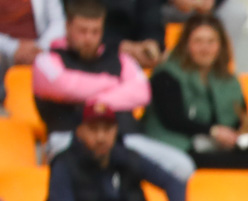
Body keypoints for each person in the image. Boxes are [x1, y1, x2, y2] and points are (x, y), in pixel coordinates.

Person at [32, 0, 194, 182]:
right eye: (82, 31)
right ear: (67, 27)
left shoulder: (121, 59)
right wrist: (115, 83)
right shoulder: (46, 60)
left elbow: (141, 92)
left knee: (182, 166)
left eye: (95, 31)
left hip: (125, 140)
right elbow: (66, 86)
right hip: (68, 139)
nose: (88, 38)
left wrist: (90, 100)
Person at [142, 13, 248, 179]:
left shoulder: (228, 80)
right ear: (186, 44)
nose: (205, 49)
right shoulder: (167, 74)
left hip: (216, 147)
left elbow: (239, 120)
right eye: (198, 41)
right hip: (178, 147)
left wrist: (246, 132)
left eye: (211, 42)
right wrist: (214, 131)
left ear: (220, 45)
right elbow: (172, 119)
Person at [39, 102, 184, 201]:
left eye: (107, 129)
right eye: (93, 129)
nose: (101, 137)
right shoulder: (64, 164)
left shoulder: (127, 158)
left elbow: (174, 183)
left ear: (116, 130)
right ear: (79, 131)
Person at [0, 0, 65, 76]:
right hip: (4, 55)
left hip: (41, 53)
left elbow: (58, 22)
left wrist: (40, 47)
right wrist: (13, 48)